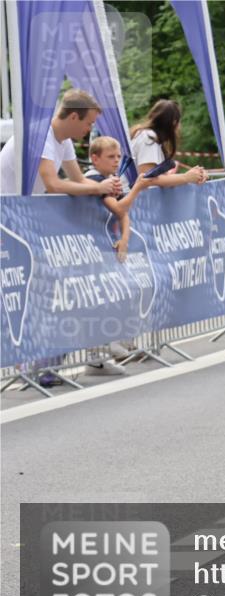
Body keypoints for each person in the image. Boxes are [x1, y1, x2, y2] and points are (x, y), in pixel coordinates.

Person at [0, 89, 122, 388]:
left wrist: (106, 186)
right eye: (87, 123)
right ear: (71, 116)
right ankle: (30, 358)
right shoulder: (41, 136)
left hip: (27, 220)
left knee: (54, 289)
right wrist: (98, 188)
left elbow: (79, 179)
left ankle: (43, 362)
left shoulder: (64, 140)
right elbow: (54, 184)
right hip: (11, 220)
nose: (88, 131)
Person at [82, 136, 153, 375]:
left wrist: (124, 239)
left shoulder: (109, 181)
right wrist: (138, 188)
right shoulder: (94, 179)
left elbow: (124, 213)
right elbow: (121, 207)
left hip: (109, 244)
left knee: (118, 294)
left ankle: (112, 343)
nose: (115, 162)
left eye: (118, 157)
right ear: (95, 158)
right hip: (93, 247)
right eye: (110, 157)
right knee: (98, 300)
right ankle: (97, 355)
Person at [130, 99, 206, 188]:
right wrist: (185, 177)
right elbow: (146, 178)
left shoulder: (152, 138)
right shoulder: (148, 138)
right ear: (174, 122)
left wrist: (195, 175)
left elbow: (158, 179)